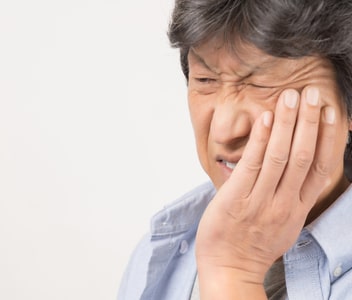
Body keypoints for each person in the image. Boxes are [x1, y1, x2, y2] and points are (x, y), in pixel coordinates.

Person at [118, 0, 352, 299]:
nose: (223, 130)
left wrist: (233, 271)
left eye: (264, 84)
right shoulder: (163, 249)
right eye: (204, 79)